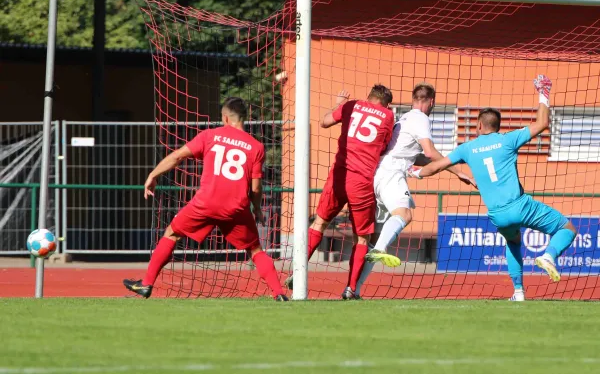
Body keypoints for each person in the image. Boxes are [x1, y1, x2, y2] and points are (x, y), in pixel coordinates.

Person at [415, 75, 576, 301]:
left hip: (497, 215)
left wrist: (413, 172)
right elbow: (542, 124)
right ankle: (549, 255)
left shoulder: (467, 148)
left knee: (513, 241)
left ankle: (518, 292)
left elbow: (435, 167)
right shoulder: (508, 140)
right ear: (497, 125)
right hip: (521, 206)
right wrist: (544, 92)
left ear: (479, 125)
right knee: (568, 229)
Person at [123, 97, 287, 301]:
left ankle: (147, 284)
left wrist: (153, 175)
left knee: (171, 234)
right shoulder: (256, 147)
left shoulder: (210, 136)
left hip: (206, 203)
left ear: (225, 118)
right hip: (235, 207)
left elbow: (177, 157)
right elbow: (256, 187)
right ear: (243, 118)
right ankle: (279, 293)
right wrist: (256, 208)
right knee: (255, 250)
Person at [354, 83, 475, 298]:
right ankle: (379, 251)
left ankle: (353, 289)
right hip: (391, 174)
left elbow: (414, 156)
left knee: (373, 236)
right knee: (404, 214)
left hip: (376, 174)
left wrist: (444, 167)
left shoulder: (404, 118)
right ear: (432, 102)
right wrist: (458, 171)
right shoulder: (421, 118)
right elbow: (429, 152)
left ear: (412, 100)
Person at [285, 85, 397, 300]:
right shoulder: (388, 115)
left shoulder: (351, 105)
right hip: (361, 180)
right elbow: (383, 146)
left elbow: (325, 121)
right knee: (362, 238)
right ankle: (350, 289)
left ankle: (297, 272)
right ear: (387, 104)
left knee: (319, 223)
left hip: (338, 176)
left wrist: (338, 104)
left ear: (368, 98)